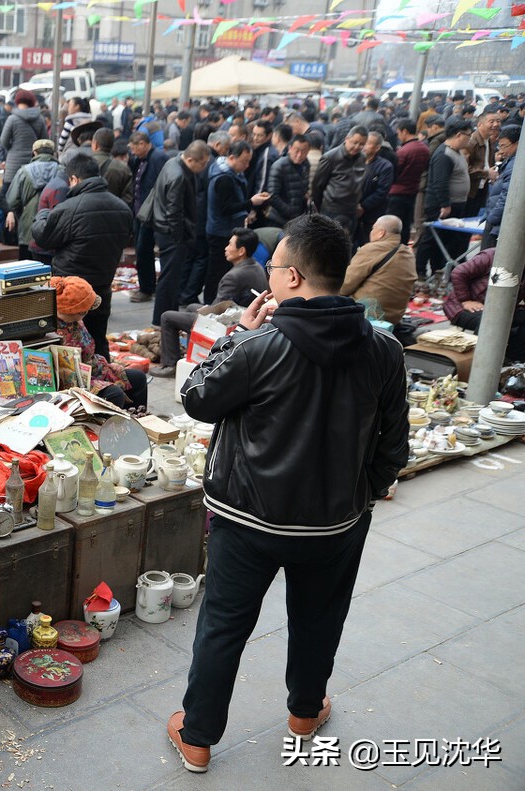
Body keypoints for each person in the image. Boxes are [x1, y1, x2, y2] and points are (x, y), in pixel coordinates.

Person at [166, 213, 409, 774]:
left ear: (293, 276)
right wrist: (360, 497)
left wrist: (236, 336)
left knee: (224, 624)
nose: (269, 276)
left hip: (246, 519)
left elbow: (196, 397)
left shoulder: (258, 346)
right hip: (334, 525)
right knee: (320, 619)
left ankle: (198, 737)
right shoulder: (383, 349)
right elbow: (394, 446)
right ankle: (304, 712)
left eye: (273, 268)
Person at [31, 152, 133, 360]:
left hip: (71, 289)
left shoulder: (70, 208)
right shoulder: (122, 208)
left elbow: (43, 236)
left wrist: (43, 214)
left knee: (68, 344)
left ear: (74, 179)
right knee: (99, 339)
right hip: (103, 284)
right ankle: (104, 375)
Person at [152, 227, 268, 376]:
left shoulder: (233, 277)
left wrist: (205, 310)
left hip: (230, 324)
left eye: (230, 245)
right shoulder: (256, 266)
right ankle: (191, 355)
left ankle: (170, 364)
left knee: (167, 317)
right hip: (244, 314)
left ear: (241, 251)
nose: (226, 248)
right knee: (191, 307)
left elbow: (216, 312)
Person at [141, 141, 211, 325]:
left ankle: (168, 316)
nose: (204, 167)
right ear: (191, 159)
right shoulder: (178, 175)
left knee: (171, 278)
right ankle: (161, 319)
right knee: (169, 279)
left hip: (165, 229)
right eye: (203, 163)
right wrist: (179, 238)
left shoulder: (173, 162)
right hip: (171, 234)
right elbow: (174, 212)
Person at [51, 276, 147, 409]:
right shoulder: (53, 330)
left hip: (93, 369)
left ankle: (138, 416)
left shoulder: (75, 322)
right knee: (114, 394)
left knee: (138, 378)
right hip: (72, 382)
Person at [202, 141, 268, 306]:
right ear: (231, 157)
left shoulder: (232, 174)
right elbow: (226, 208)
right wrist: (251, 202)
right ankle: (211, 304)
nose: (247, 166)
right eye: (244, 161)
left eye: (249, 161)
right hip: (220, 231)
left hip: (226, 228)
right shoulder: (224, 178)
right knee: (216, 271)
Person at [443, 248, 525, 362]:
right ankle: (478, 362)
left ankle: (514, 360)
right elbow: (458, 272)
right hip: (460, 306)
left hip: (501, 310)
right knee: (491, 320)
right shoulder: (491, 255)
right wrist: (466, 300)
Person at [416, 118, 473, 280]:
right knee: (431, 239)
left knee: (444, 241)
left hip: (455, 204)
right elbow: (439, 182)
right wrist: (445, 204)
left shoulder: (457, 152)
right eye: (468, 136)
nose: (469, 139)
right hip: (441, 206)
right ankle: (419, 272)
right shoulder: (444, 154)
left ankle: (437, 271)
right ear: (459, 135)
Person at [340, 214, 417, 325]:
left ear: (381, 233)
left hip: (367, 314)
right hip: (394, 317)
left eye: (373, 229)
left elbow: (345, 285)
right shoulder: (408, 253)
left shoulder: (371, 249)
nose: (371, 232)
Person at [127, 131, 169, 303]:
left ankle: (147, 288)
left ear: (143, 144)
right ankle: (147, 286)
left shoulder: (158, 158)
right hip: (139, 211)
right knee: (141, 249)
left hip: (151, 212)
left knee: (144, 249)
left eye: (134, 148)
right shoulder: (139, 159)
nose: (133, 152)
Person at [4, 139, 61, 261]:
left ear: (34, 152)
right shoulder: (62, 171)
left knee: (27, 268)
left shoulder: (23, 171)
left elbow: (12, 200)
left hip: (28, 228)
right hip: (56, 227)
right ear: (53, 153)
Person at [310, 126, 367, 237]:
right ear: (347, 138)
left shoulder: (362, 157)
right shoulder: (330, 157)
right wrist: (321, 207)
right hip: (332, 209)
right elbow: (317, 186)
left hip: (352, 209)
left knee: (348, 241)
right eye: (354, 142)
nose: (357, 147)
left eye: (361, 144)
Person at [388, 119, 430, 245]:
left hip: (397, 193)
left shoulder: (403, 151)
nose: (398, 136)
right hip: (413, 191)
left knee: (393, 226)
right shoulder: (425, 149)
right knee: (405, 225)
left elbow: (395, 172)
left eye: (399, 133)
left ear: (405, 131)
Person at [0, 90, 47, 190]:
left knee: (10, 195)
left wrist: (12, 148)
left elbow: (3, 141)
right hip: (33, 164)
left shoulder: (12, 119)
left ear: (17, 101)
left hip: (13, 166)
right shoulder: (40, 119)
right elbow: (44, 142)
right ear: (32, 101)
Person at [482, 124, 519, 250]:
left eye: (504, 146)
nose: (501, 151)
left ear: (518, 144)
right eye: (500, 146)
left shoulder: (515, 165)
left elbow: (506, 196)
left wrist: (492, 218)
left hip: (498, 223)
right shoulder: (510, 161)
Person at [355, 131, 393, 247]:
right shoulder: (354, 161)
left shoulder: (385, 166)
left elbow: (382, 191)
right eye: (363, 143)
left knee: (370, 245)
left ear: (377, 148)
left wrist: (363, 206)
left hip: (372, 214)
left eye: (368, 143)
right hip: (352, 211)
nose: (364, 146)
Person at [263, 134, 310, 227]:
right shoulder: (279, 166)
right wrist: (289, 211)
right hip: (278, 218)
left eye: (304, 151)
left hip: (297, 218)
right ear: (290, 148)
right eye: (297, 151)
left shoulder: (305, 164)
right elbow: (273, 195)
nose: (299, 155)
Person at [465, 109, 500, 214]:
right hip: (470, 190)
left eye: (498, 121)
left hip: (481, 188)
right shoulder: (472, 142)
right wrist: (486, 173)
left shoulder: (488, 140)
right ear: (480, 124)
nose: (495, 124)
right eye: (491, 121)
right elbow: (464, 169)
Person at [89, 128, 133, 204]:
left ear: (95, 144)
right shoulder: (123, 168)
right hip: (116, 209)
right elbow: (128, 198)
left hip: (88, 208)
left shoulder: (83, 164)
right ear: (113, 145)